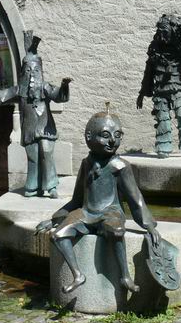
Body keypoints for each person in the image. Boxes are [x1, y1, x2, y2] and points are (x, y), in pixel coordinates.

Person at [35, 108, 161, 294]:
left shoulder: (120, 166)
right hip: (86, 213)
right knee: (58, 235)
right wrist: (55, 220)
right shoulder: (86, 164)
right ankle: (78, 275)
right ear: (89, 137)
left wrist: (149, 225)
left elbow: (135, 199)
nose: (112, 141)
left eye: (117, 136)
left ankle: (125, 276)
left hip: (110, 212)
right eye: (105, 135)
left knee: (117, 231)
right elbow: (77, 199)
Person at [0, 33, 71, 198]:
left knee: (46, 151)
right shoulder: (19, 90)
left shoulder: (45, 88)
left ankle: (51, 186)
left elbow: (60, 96)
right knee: (33, 156)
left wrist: (64, 85)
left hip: (45, 128)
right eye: (28, 70)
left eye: (35, 70)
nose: (32, 74)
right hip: (29, 128)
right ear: (23, 72)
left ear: (40, 71)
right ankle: (33, 186)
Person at [136, 14, 181, 158]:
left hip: (177, 89)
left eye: (164, 31)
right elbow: (149, 71)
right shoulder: (155, 49)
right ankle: (163, 147)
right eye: (159, 31)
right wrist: (142, 93)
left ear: (173, 31)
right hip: (159, 91)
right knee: (162, 119)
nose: (161, 35)